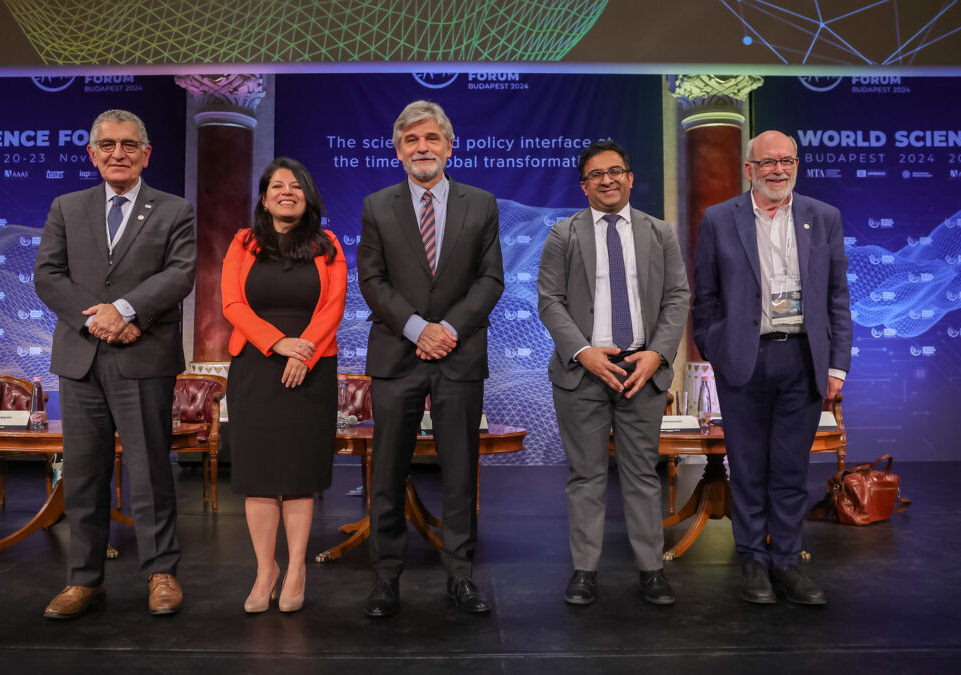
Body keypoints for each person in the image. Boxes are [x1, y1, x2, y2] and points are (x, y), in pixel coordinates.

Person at [35, 109, 196, 619]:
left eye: (129, 145)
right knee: (82, 474)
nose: (118, 153)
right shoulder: (67, 206)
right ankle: (84, 581)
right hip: (81, 359)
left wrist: (125, 311)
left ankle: (161, 574)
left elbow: (180, 273)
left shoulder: (174, 210)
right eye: (107, 145)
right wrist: (95, 321)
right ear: (92, 153)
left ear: (147, 153)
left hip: (144, 356)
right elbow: (48, 275)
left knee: (150, 471)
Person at [692, 130, 852, 606]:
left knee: (788, 468)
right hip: (744, 359)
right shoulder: (720, 219)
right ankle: (752, 562)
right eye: (767, 163)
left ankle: (786, 560)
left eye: (786, 161)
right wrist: (717, 349)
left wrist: (837, 365)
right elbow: (705, 298)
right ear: (750, 169)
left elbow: (837, 298)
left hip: (802, 359)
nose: (778, 170)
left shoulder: (824, 218)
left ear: (796, 165)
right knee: (745, 467)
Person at [357, 100, 504, 617]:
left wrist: (449, 330)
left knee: (461, 474)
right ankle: (385, 578)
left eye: (431, 139)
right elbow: (372, 281)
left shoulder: (481, 203)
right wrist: (420, 328)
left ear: (448, 144)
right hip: (397, 356)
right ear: (398, 151)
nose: (422, 148)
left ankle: (460, 576)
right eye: (411, 141)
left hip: (459, 356)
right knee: (387, 474)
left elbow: (490, 280)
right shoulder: (377, 205)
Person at [537, 140, 689, 607]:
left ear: (630, 177)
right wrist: (583, 352)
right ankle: (585, 571)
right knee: (586, 476)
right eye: (596, 174)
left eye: (615, 171)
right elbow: (550, 301)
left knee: (644, 475)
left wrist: (658, 355)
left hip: (641, 370)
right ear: (584, 185)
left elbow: (677, 298)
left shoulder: (660, 233)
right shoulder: (563, 234)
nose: (607, 180)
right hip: (584, 371)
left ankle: (651, 571)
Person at [221, 157, 346, 614]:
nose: (286, 192)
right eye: (277, 185)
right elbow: (232, 303)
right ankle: (264, 569)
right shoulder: (244, 242)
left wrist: (304, 349)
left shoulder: (327, 243)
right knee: (258, 475)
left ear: (308, 195)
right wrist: (278, 344)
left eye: (296, 185)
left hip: (312, 367)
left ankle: (295, 569)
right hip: (256, 365)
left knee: (297, 475)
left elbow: (333, 306)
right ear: (264, 196)